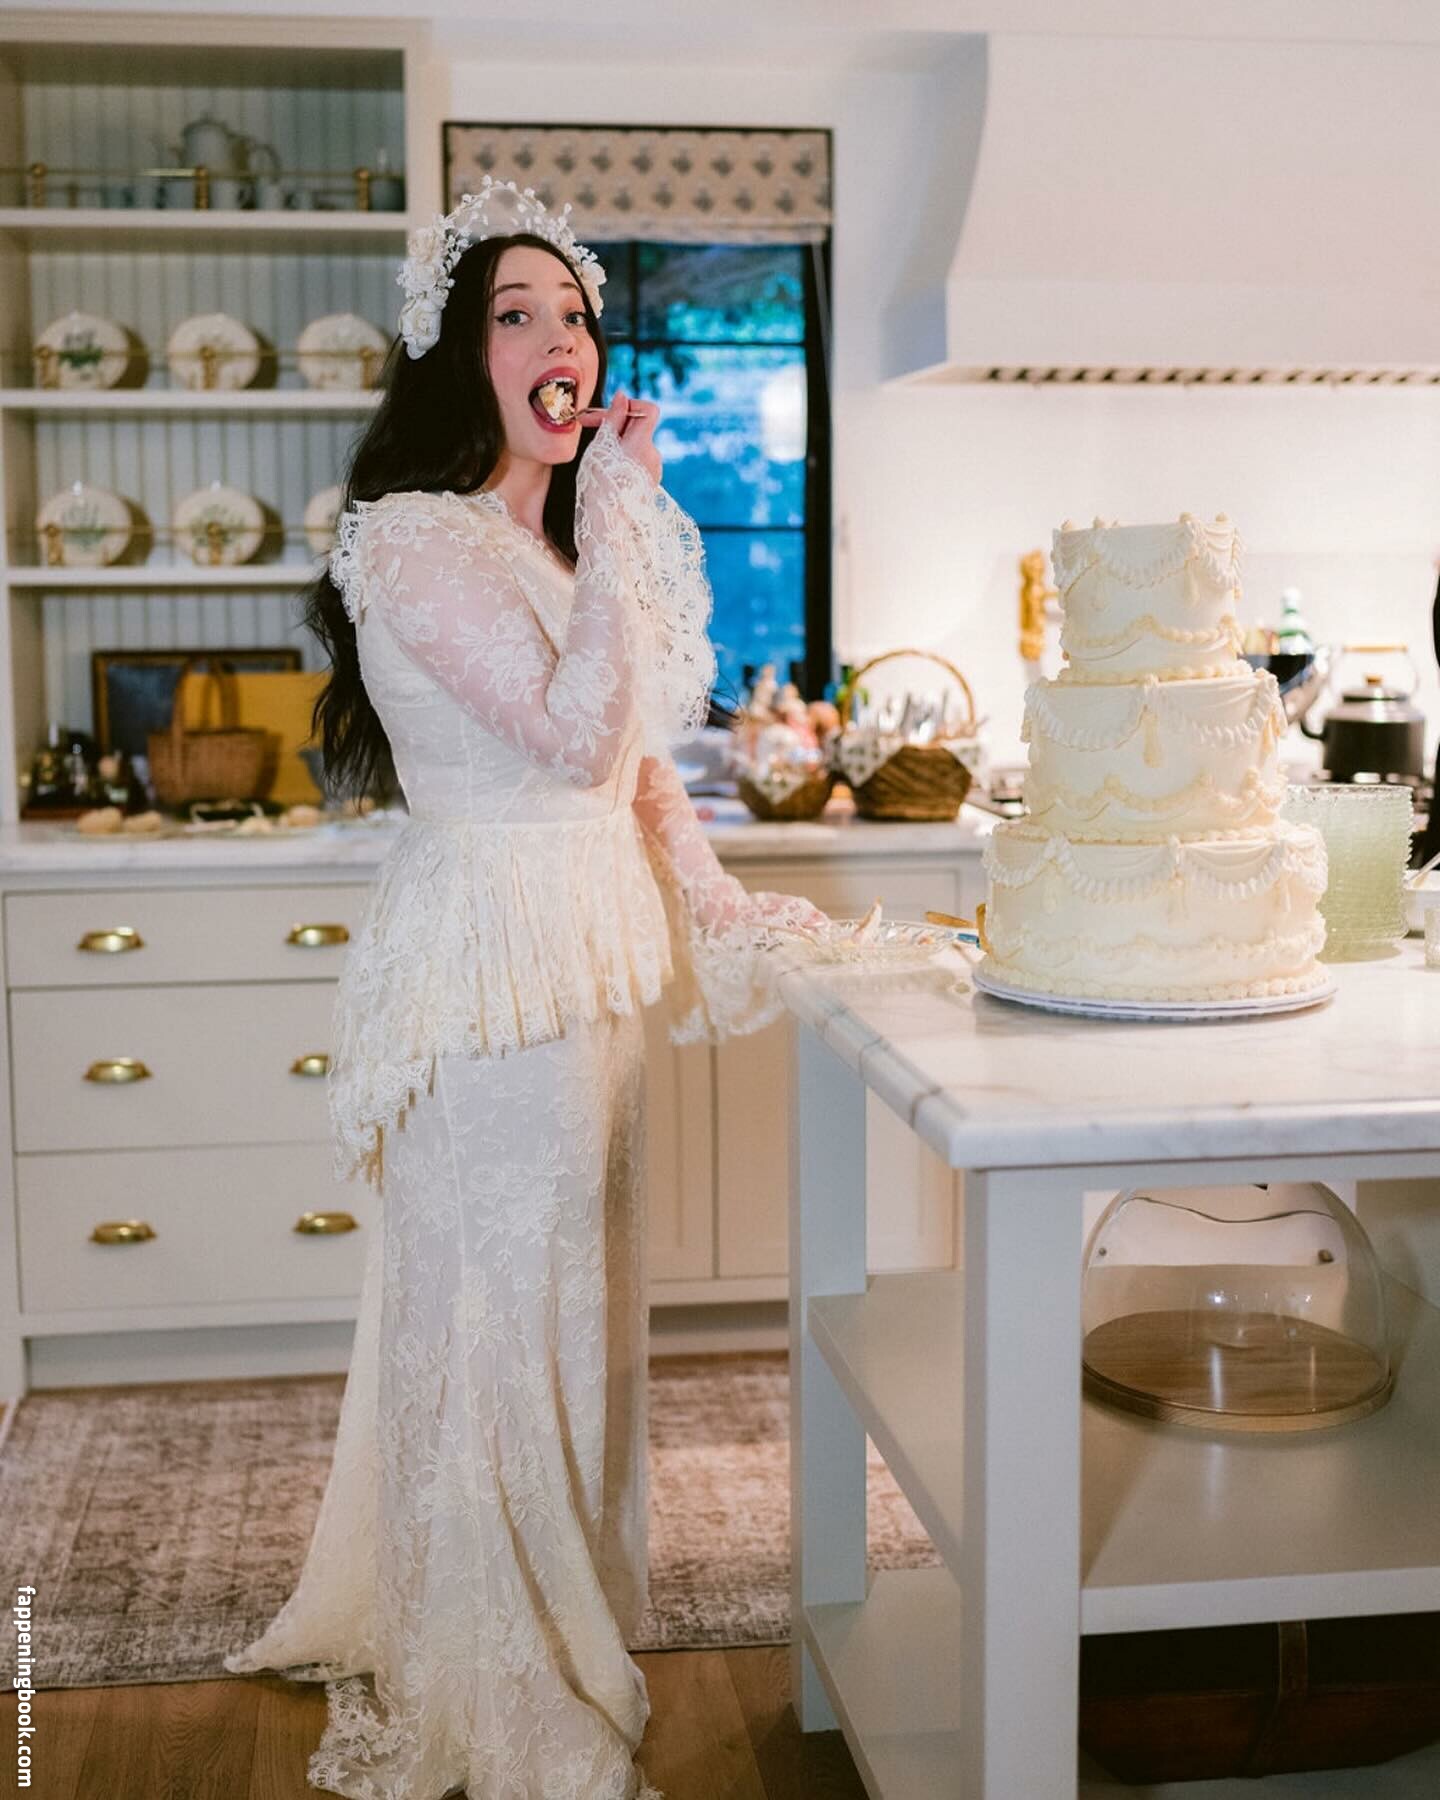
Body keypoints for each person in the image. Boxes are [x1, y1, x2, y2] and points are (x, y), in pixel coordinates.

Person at [222, 178, 829, 1799]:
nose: (562, 339)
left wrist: (725, 901)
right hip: (491, 967)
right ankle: (500, 1676)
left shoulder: (545, 544)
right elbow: (567, 740)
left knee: (577, 1300)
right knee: (501, 1308)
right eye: (517, 315)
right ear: (456, 359)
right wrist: (624, 518)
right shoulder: (412, 538)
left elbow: (635, 771)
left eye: (577, 314)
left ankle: (564, 1617)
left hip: (591, 954)